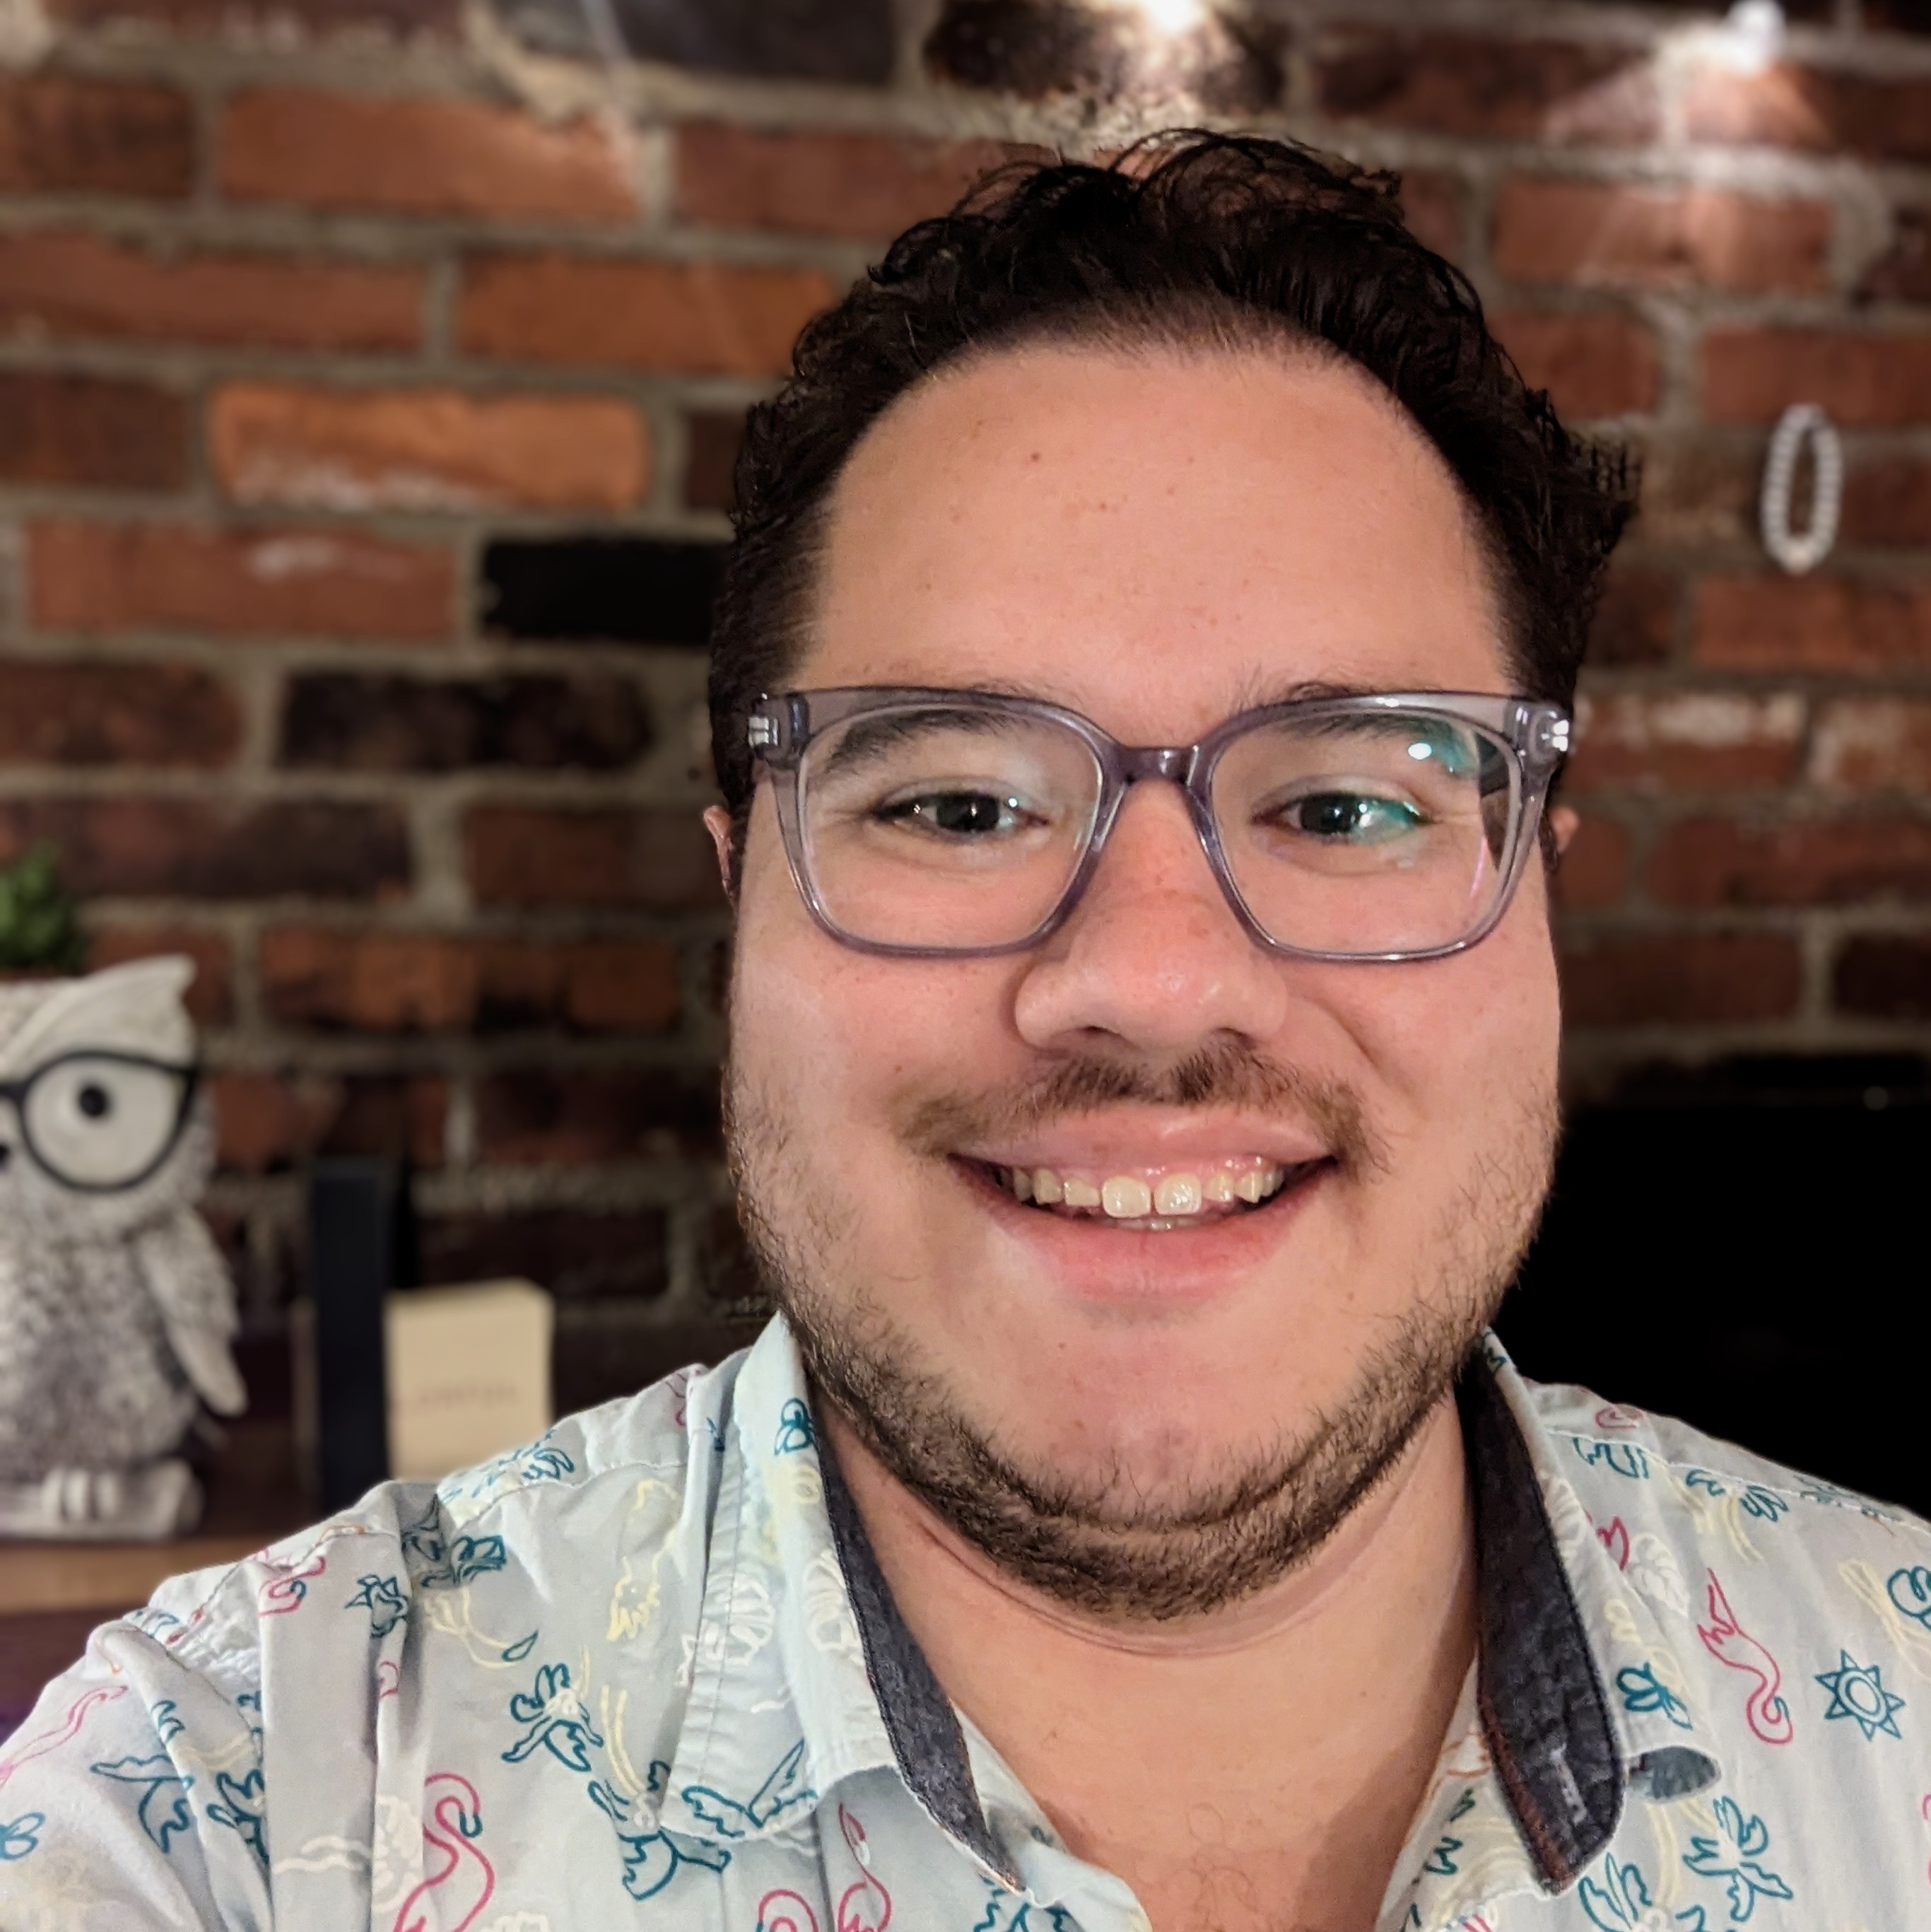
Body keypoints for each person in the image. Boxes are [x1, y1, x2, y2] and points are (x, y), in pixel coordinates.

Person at [1, 132, 1918, 1932]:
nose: (1152, 982)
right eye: (955, 804)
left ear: (1535, 891)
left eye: (1345, 806)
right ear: (739, 888)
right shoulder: (238, 1809)